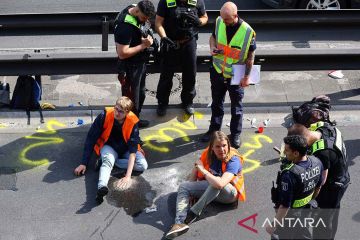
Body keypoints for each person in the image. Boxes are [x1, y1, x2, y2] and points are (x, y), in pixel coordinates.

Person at [165, 131, 246, 239]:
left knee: (216, 182)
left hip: (229, 194)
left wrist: (203, 171)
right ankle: (179, 223)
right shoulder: (207, 154)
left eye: (224, 146)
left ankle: (191, 215)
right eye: (217, 146)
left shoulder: (234, 160)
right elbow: (197, 166)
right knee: (184, 186)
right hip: (212, 187)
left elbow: (221, 183)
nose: (222, 149)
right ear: (212, 147)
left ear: (228, 145)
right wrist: (191, 193)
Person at [200, 1, 256, 149]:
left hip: (235, 76)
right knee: (216, 104)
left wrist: (246, 77)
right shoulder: (220, 21)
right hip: (218, 71)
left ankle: (235, 134)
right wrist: (212, 47)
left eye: (227, 20)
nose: (224, 22)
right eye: (223, 19)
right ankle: (214, 130)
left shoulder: (248, 32)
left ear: (235, 16)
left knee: (236, 107)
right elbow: (212, 37)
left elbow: (250, 57)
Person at [74, 96, 148, 204]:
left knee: (142, 166)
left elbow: (132, 152)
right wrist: (84, 163)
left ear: (127, 113)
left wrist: (127, 177)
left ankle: (108, 162)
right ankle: (101, 187)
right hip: (109, 146)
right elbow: (91, 139)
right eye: (116, 109)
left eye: (121, 112)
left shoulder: (133, 121)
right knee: (108, 161)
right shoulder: (104, 116)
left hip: (126, 149)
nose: (117, 113)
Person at [288, 122, 350, 240]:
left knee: (324, 219)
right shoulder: (325, 127)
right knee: (333, 212)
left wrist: (311, 198)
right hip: (341, 174)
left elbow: (321, 182)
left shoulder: (322, 153)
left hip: (333, 186)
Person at [155, 0, 208, 116]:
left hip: (189, 41)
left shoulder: (197, 1)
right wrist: (163, 37)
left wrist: (199, 21)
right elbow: (158, 23)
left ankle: (188, 101)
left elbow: (205, 17)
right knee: (166, 74)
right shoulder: (165, 2)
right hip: (170, 41)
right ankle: (162, 102)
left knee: (190, 73)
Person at [266, 135, 323, 239]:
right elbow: (318, 187)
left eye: (287, 150)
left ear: (296, 153)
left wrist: (273, 226)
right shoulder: (317, 162)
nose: (284, 152)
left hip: (290, 217)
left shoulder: (289, 174)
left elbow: (285, 206)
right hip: (306, 211)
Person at [114, 0, 156, 128]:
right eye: (143, 18)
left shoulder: (133, 8)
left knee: (140, 95)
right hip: (129, 68)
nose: (145, 21)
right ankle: (130, 129)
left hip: (139, 64)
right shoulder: (124, 26)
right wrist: (144, 45)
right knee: (130, 101)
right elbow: (122, 53)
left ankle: (134, 120)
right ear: (137, 11)